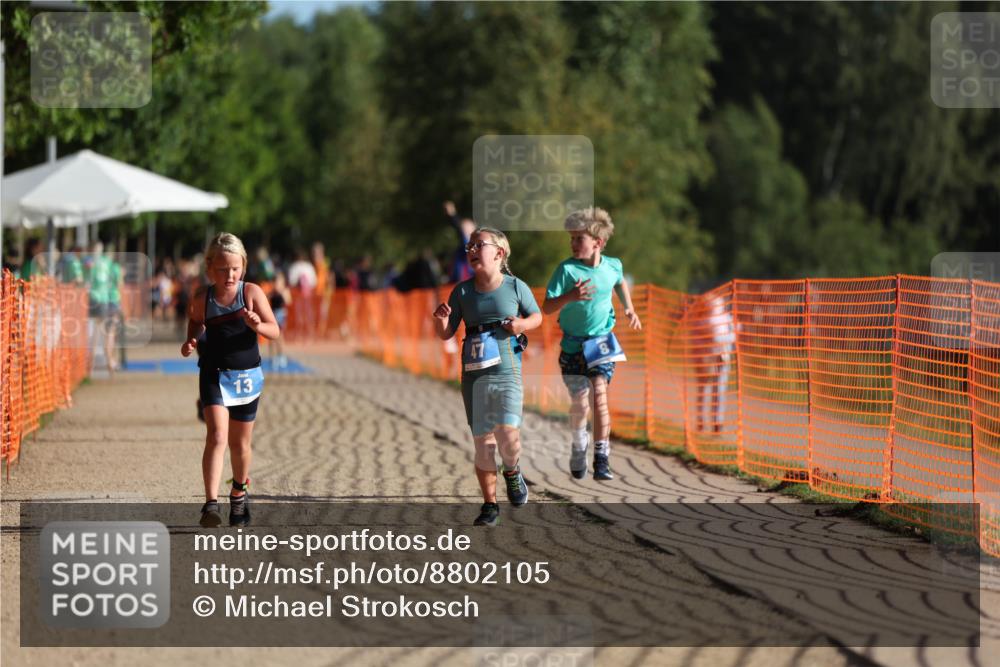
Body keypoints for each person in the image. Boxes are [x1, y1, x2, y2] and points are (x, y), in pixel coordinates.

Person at [432, 227, 542, 526]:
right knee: (483, 440)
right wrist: (441, 320)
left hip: (506, 370)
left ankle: (512, 470)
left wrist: (520, 324)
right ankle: (490, 505)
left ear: (499, 253)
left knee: (508, 433)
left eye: (478, 244)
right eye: (469, 245)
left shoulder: (516, 286)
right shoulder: (462, 291)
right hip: (473, 375)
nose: (471, 249)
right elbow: (445, 334)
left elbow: (537, 317)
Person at [181, 233, 280, 528]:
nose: (229, 275)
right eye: (223, 269)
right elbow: (196, 321)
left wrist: (258, 324)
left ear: (244, 267)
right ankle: (210, 504)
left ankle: (238, 493)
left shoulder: (251, 293)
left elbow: (275, 330)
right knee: (217, 437)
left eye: (235, 268)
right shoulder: (203, 298)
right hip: (213, 374)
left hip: (247, 377)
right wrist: (191, 340)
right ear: (210, 269)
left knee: (240, 445)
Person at [542, 207, 641, 481]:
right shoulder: (566, 270)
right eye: (571, 239)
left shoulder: (613, 265)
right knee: (580, 404)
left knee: (599, 394)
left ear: (598, 242)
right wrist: (570, 296)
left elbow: (620, 282)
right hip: (573, 345)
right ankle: (578, 444)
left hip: (601, 342)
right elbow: (548, 307)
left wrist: (629, 308)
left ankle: (601, 457)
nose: (573, 244)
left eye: (579, 238)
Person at [444, 200, 476, 284]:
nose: (463, 231)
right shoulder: (461, 249)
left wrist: (452, 215)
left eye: (466, 229)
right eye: (463, 229)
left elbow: (460, 231)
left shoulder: (475, 248)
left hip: (469, 285)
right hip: (456, 284)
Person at [268, 271, 292, 369]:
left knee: (279, 336)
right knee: (272, 338)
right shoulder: (272, 292)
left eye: (278, 281)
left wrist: (282, 293)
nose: (276, 284)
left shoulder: (285, 291)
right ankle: (273, 358)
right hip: (273, 314)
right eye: (275, 281)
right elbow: (265, 299)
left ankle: (281, 356)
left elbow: (289, 301)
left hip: (281, 314)